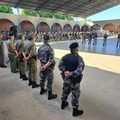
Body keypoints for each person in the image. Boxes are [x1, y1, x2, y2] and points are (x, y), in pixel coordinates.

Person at [58, 42, 85, 117]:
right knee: (75, 95)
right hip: (74, 81)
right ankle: (75, 111)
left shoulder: (65, 57)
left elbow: (60, 66)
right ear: (76, 49)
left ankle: (63, 104)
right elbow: (79, 70)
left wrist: (65, 71)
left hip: (66, 79)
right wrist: (71, 73)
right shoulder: (79, 58)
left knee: (65, 91)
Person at [38, 34, 57, 100]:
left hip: (42, 66)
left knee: (42, 79)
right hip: (48, 68)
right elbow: (50, 61)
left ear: (43, 40)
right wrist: (45, 66)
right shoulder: (50, 49)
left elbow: (39, 58)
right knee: (49, 81)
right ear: (49, 40)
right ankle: (50, 95)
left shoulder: (40, 48)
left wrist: (41, 66)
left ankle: (42, 90)